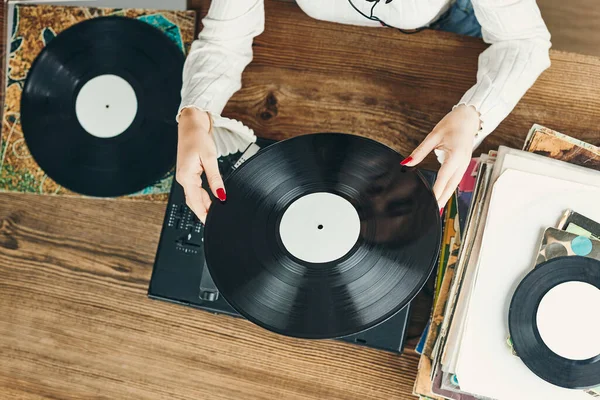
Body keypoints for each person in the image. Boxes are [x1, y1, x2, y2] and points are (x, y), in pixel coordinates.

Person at [176, 0, 551, 222]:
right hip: (321, 42)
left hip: (446, 28)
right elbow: (224, 39)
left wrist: (474, 112)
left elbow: (524, 40)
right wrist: (194, 112)